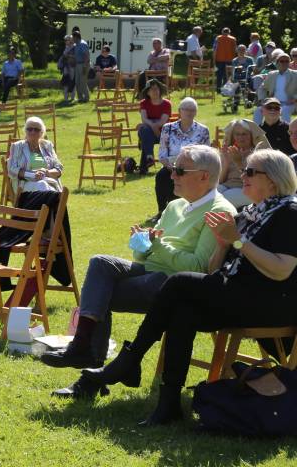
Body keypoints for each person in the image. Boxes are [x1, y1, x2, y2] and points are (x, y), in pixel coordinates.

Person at [77, 149, 297, 426]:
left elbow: (282, 270)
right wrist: (222, 244)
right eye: (244, 171)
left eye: (251, 172)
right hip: (236, 294)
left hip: (269, 303)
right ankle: (168, 404)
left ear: (274, 180)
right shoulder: (249, 213)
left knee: (180, 280)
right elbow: (216, 269)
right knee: (182, 310)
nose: (243, 176)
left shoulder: (289, 212)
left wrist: (238, 241)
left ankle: (130, 360)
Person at [43, 145, 235, 386]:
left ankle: (92, 371)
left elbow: (198, 268)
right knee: (100, 263)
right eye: (173, 169)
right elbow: (143, 258)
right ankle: (86, 349)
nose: (172, 175)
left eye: (180, 170)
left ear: (204, 176)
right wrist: (143, 244)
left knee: (100, 294)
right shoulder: (176, 205)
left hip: (176, 285)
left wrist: (157, 245)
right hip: (153, 272)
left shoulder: (220, 211)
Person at [0, 117, 73, 307]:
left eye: (36, 130)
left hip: (47, 185)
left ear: (42, 133)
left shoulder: (47, 146)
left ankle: (45, 231)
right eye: (29, 130)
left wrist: (46, 172)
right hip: (26, 189)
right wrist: (32, 175)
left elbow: (59, 168)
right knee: (52, 195)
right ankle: (49, 232)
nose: (32, 133)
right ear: (24, 131)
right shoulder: (18, 146)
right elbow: (12, 169)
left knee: (49, 190)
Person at [153, 97, 210, 215]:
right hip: (170, 166)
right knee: (162, 176)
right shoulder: (167, 128)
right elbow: (162, 153)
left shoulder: (203, 130)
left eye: (193, 110)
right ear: (180, 111)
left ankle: (182, 210)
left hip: (192, 168)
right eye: (186, 109)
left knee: (184, 176)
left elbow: (206, 154)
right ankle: (162, 212)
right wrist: (169, 166)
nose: (189, 112)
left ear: (196, 112)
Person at [218, 118, 268, 208]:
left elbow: (255, 179)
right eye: (237, 134)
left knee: (223, 198)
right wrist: (226, 162)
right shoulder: (230, 151)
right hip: (227, 186)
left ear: (252, 135)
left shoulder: (258, 153)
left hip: (248, 189)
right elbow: (220, 181)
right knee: (207, 194)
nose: (241, 137)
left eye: (244, 134)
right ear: (233, 136)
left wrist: (239, 161)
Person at [137, 79, 171, 175]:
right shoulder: (144, 103)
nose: (154, 91)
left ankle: (145, 164)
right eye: (151, 89)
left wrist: (153, 126)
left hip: (162, 134)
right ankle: (149, 157)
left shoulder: (167, 104)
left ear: (160, 90)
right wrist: (154, 126)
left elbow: (162, 121)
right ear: (147, 92)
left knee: (145, 135)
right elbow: (144, 119)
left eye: (156, 89)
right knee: (145, 130)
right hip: (150, 132)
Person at [256, 50, 297, 123]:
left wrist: (294, 99)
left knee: (285, 110)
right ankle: (257, 133)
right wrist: (262, 100)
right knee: (258, 110)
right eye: (282, 61)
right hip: (273, 103)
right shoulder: (272, 74)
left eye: (287, 61)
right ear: (277, 63)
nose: (284, 63)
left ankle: (286, 133)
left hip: (291, 103)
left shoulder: (295, 75)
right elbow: (262, 88)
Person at [213, 27, 236, 91]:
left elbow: (215, 49)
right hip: (229, 60)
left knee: (219, 75)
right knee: (227, 75)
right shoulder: (233, 39)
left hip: (219, 59)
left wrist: (214, 60)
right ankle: (226, 89)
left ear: (222, 32)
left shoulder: (218, 38)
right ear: (229, 32)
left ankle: (218, 88)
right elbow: (234, 50)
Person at [73, 30, 91, 103]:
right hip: (77, 64)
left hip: (83, 64)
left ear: (76, 37)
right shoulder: (76, 44)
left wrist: (84, 66)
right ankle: (80, 98)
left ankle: (86, 98)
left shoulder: (82, 44)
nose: (72, 39)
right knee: (77, 82)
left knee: (83, 82)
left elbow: (86, 56)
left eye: (73, 38)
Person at [58, 35, 77, 103]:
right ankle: (65, 98)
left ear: (71, 40)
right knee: (65, 81)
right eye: (65, 40)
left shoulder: (75, 47)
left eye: (67, 40)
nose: (66, 41)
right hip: (66, 67)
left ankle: (72, 97)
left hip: (73, 67)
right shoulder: (66, 47)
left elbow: (76, 56)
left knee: (73, 82)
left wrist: (68, 56)